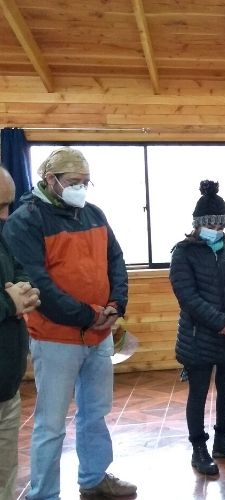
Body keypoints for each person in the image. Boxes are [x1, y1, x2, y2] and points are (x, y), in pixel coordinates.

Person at [2, 148, 136, 499]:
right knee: (50, 423)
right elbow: (37, 285)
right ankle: (43, 493)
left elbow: (117, 260)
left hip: (99, 334)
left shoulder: (93, 213)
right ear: (51, 180)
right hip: (56, 337)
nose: (81, 188)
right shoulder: (26, 220)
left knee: (96, 413)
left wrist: (115, 304)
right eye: (73, 182)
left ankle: (93, 479)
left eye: (85, 182)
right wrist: (90, 315)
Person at [169, 180, 225, 476]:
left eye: (221, 225)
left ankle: (223, 440)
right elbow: (187, 295)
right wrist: (221, 322)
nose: (217, 230)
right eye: (211, 225)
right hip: (197, 339)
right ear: (198, 224)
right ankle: (198, 447)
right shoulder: (183, 252)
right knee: (199, 393)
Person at [0, 167, 40, 500]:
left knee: (5, 477)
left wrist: (25, 290)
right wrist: (7, 303)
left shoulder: (4, 235)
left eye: (8, 205)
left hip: (6, 384)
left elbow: (21, 269)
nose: (6, 215)